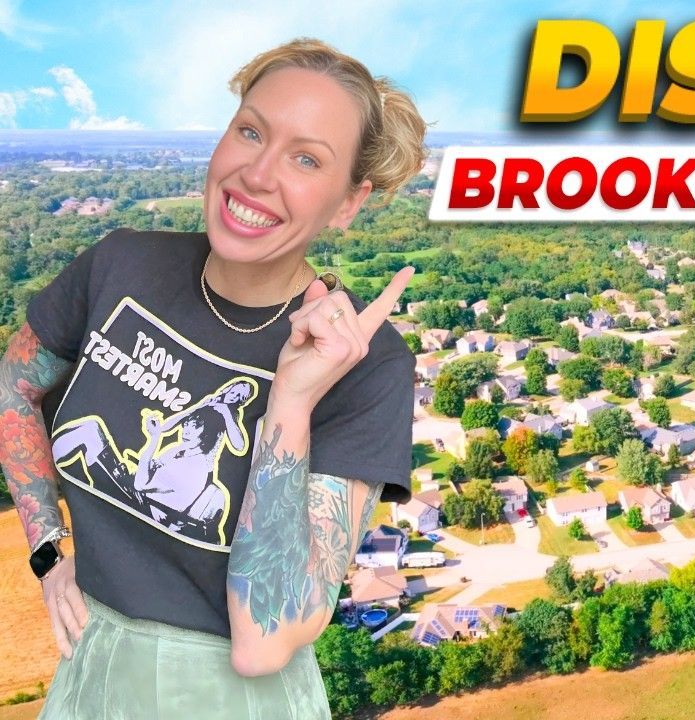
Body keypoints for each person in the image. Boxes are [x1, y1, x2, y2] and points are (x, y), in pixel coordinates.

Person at [0, 37, 427, 719]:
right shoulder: (121, 267)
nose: (258, 174)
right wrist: (49, 551)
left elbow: (264, 641)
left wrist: (290, 397)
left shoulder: (367, 367)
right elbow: (13, 385)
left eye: (306, 158)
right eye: (251, 130)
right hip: (91, 675)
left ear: (348, 203)